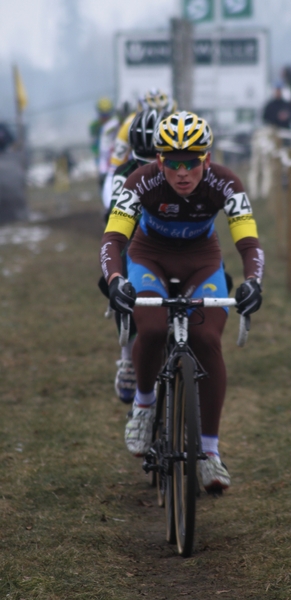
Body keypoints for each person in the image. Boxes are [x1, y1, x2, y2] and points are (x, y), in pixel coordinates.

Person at [100, 111, 264, 493]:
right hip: (148, 257)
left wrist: (254, 281)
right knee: (154, 328)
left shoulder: (226, 183)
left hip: (201, 261)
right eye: (173, 162)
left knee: (207, 340)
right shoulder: (140, 181)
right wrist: (115, 279)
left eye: (192, 161)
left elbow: (249, 242)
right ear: (159, 161)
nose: (183, 172)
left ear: (206, 159)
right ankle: (143, 406)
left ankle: (209, 453)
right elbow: (112, 240)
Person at [99, 107, 173, 404]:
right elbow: (114, 208)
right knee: (118, 284)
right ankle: (128, 355)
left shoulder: (176, 166)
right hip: (137, 240)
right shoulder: (124, 172)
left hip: (175, 242)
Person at [101, 90, 177, 212]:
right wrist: (111, 206)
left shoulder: (183, 124)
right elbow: (112, 172)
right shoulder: (128, 126)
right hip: (139, 177)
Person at [89, 97, 114, 175]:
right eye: (102, 115)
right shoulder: (94, 126)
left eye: (107, 115)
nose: (105, 118)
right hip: (101, 157)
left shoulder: (115, 124)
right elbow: (93, 143)